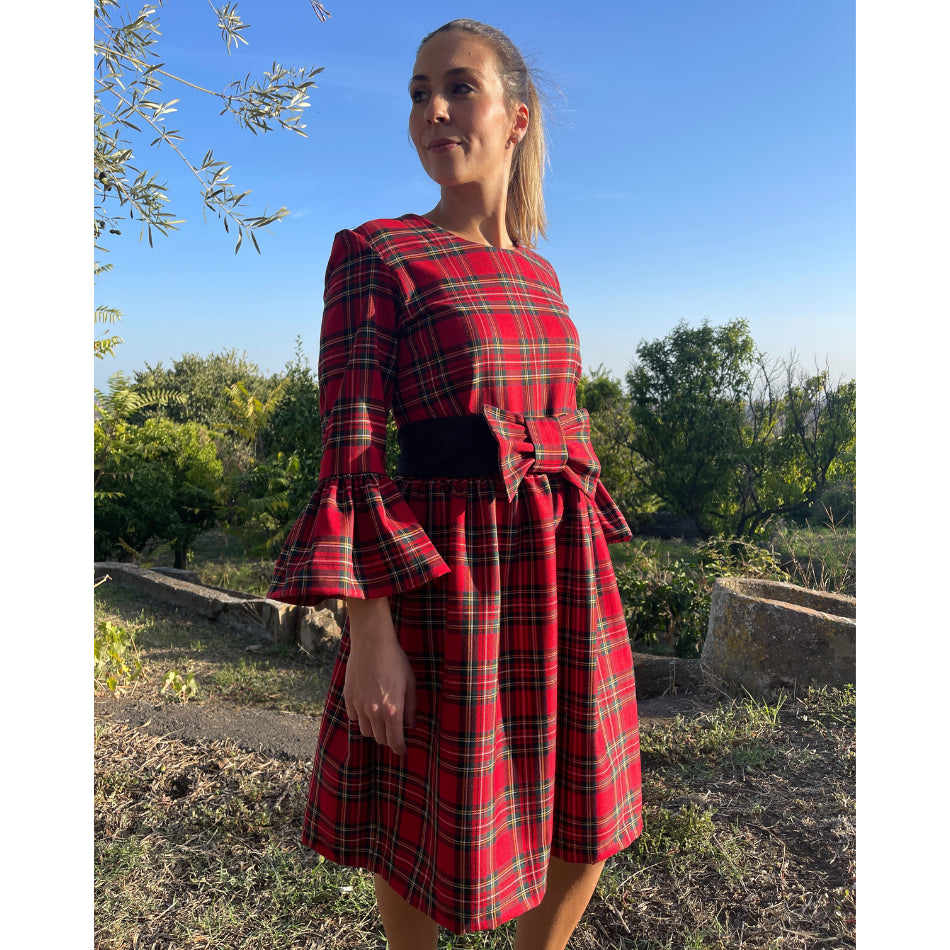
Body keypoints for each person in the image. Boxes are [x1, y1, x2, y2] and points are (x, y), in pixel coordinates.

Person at [268, 18, 642, 949]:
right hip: (450, 578)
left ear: (517, 117)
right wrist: (369, 633)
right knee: (419, 809)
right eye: (418, 92)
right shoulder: (378, 253)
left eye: (458, 87)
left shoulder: (542, 276)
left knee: (587, 813)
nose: (432, 108)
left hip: (563, 573)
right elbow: (352, 455)